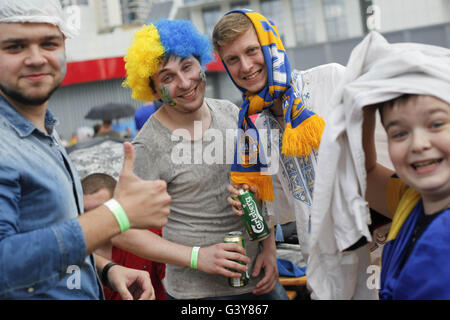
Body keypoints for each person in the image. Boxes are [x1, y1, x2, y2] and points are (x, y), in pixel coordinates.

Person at [0, 0, 171, 299]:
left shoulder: (44, 133)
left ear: (65, 46)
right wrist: (117, 214)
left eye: (49, 43)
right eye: (15, 47)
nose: (36, 58)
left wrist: (104, 269)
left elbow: (50, 238)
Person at [114, 19, 288, 300]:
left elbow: (256, 188)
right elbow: (121, 232)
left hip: (259, 281)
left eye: (187, 66)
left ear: (202, 63)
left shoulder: (231, 112)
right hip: (197, 295)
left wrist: (268, 247)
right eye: (167, 78)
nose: (185, 83)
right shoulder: (147, 145)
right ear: (155, 91)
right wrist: (197, 257)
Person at [307, 31, 450, 299]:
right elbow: (368, 173)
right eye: (399, 133)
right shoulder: (409, 201)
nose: (418, 144)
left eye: (436, 124)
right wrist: (363, 108)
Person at [212, 9, 343, 267]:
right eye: (233, 59)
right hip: (321, 265)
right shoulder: (255, 127)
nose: (246, 66)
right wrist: (253, 199)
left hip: (377, 249)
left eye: (252, 50)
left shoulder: (332, 79)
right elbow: (283, 208)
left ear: (272, 45)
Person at [81, 173, 166, 300]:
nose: (94, 220)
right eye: (85, 212)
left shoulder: (152, 235)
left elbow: (177, 286)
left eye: (101, 211)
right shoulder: (69, 251)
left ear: (119, 208)